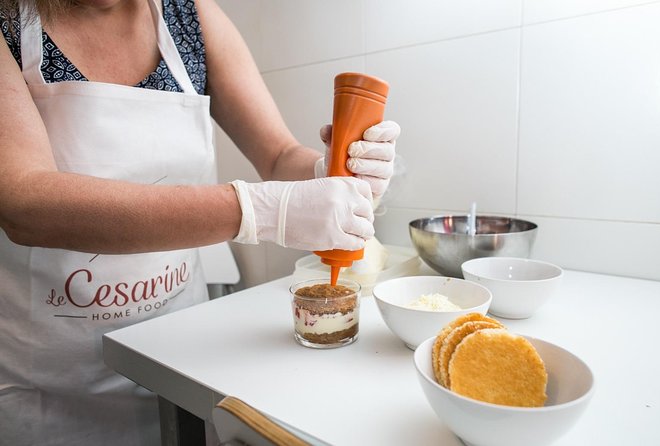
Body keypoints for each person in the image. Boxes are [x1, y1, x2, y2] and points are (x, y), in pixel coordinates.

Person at [0, 0, 400, 444]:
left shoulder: (188, 14)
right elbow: (22, 202)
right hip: (58, 380)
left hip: (181, 354)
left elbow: (277, 155)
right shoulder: (9, 24)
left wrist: (328, 173)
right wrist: (257, 210)